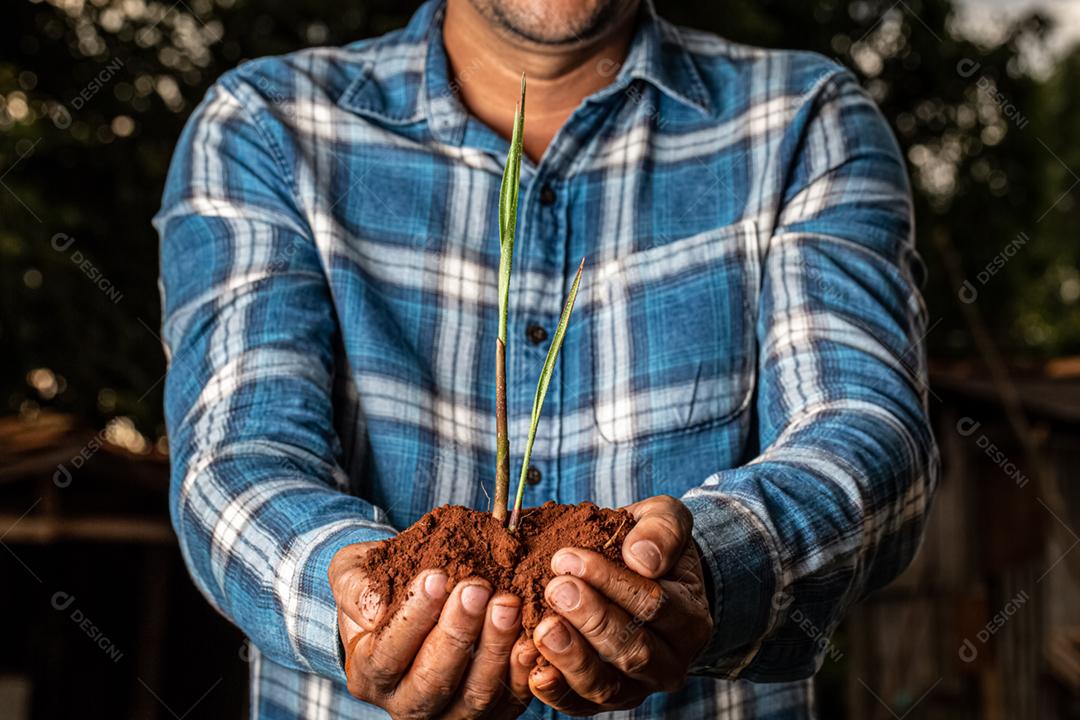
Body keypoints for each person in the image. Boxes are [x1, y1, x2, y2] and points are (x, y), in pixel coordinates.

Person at [155, 0, 939, 717]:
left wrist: (712, 560)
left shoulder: (804, 121)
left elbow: (866, 432)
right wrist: (353, 597)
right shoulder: (264, 126)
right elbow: (234, 452)